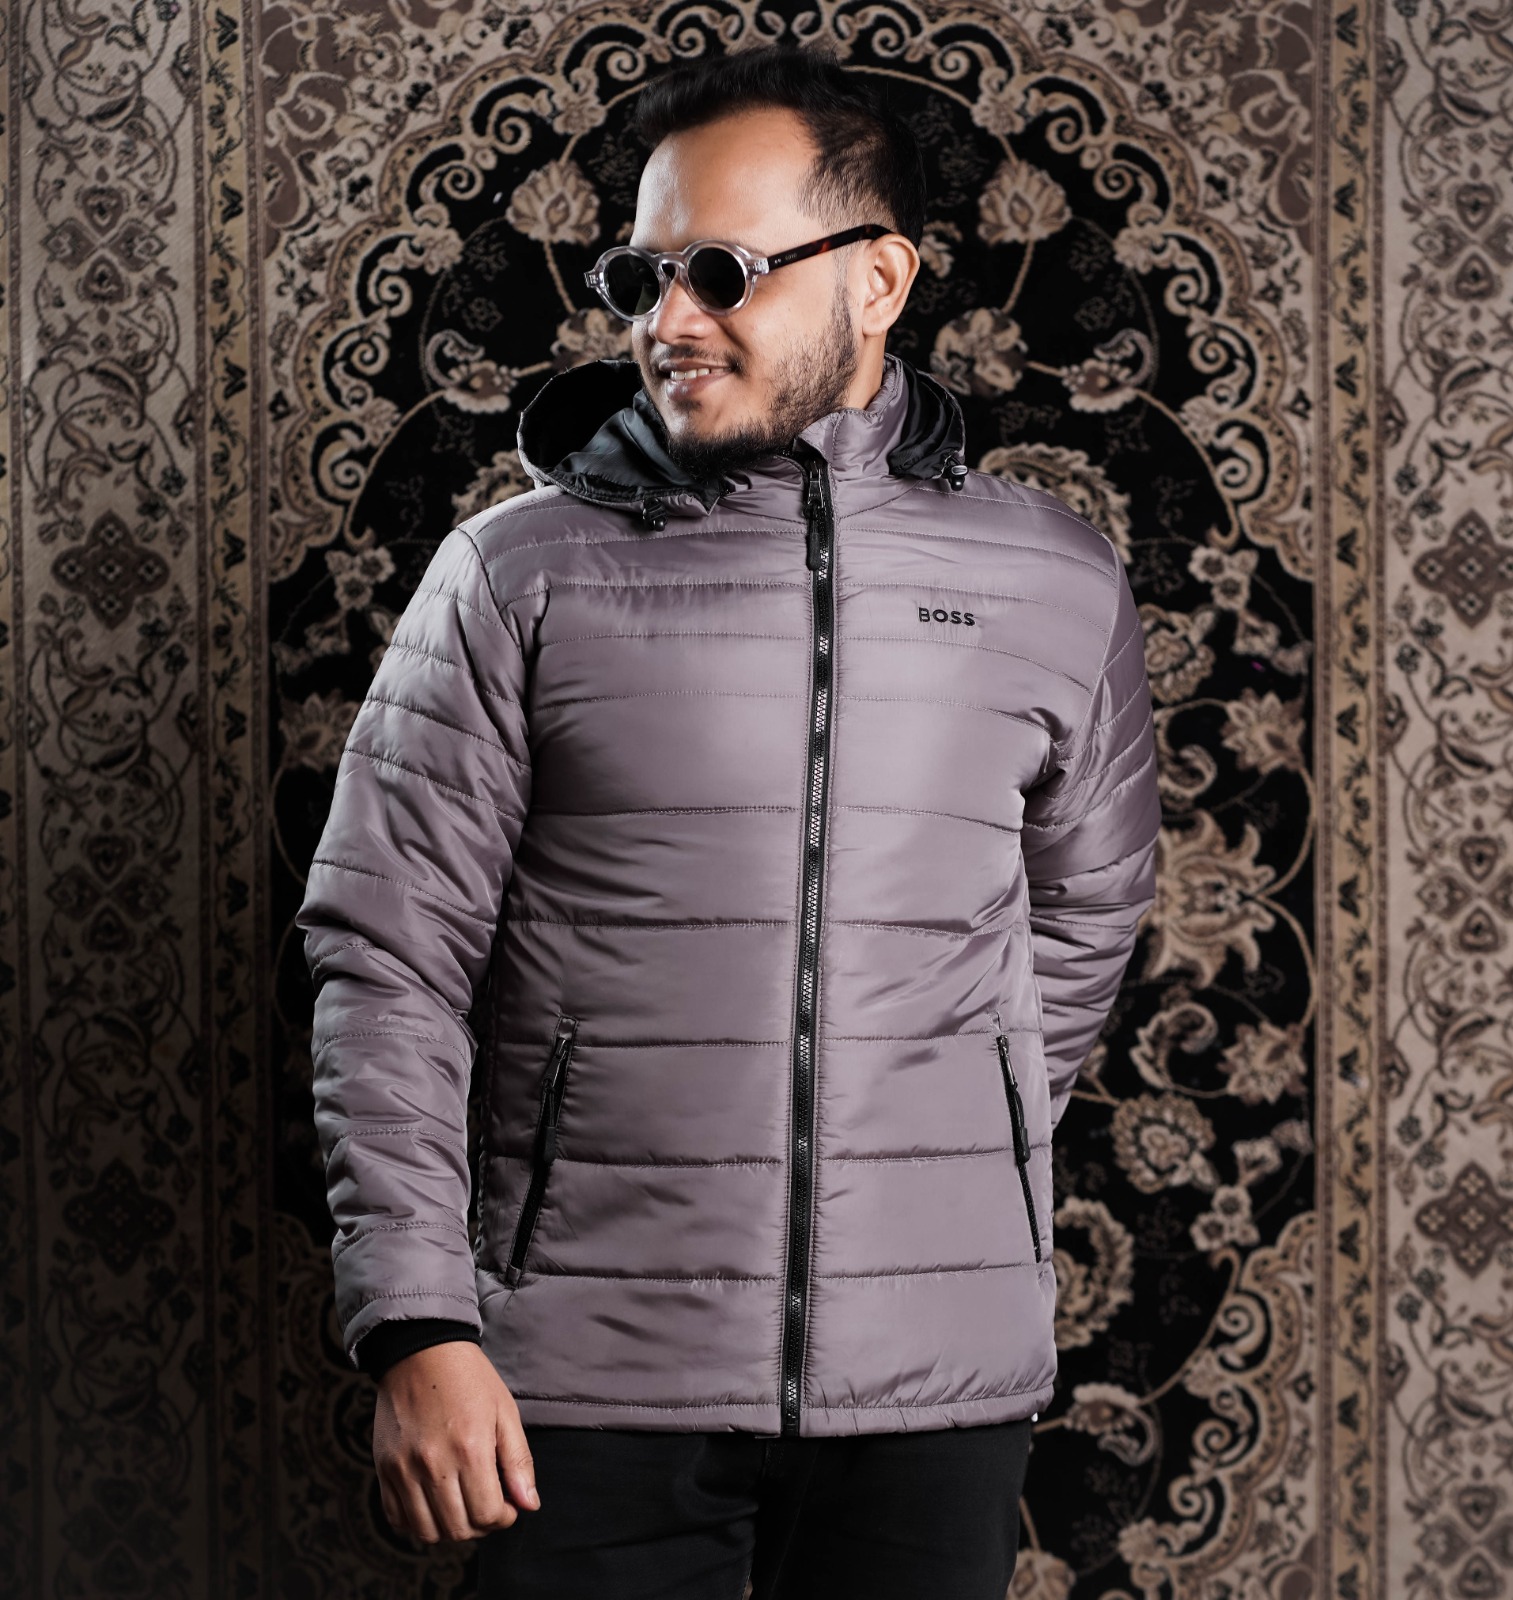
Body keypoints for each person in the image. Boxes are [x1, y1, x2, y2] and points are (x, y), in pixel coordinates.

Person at [297, 41, 1160, 1600]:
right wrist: (419, 1325)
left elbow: (1082, 919)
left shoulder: (1053, 575)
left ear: (879, 278)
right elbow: (389, 960)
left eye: (719, 272)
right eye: (642, 277)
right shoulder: (516, 573)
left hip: (933, 1383)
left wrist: (948, 1145)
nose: (667, 322)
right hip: (580, 1382)